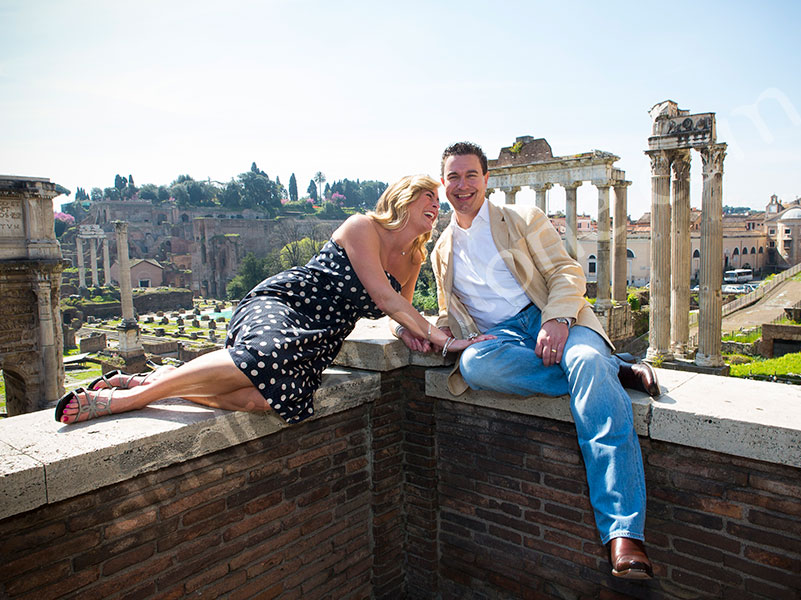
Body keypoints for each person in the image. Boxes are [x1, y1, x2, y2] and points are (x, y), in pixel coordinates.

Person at [55, 174, 493, 425]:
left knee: (267, 401)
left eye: (438, 202)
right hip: (285, 304)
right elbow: (382, 294)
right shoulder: (363, 227)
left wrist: (410, 332)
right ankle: (127, 400)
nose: (437, 204)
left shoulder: (412, 256)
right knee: (268, 356)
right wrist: (442, 339)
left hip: (318, 336)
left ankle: (159, 379)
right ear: (404, 199)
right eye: (428, 197)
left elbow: (397, 309)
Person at [425, 141, 656, 579]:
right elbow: (450, 314)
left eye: (471, 175)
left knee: (585, 362)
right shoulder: (442, 250)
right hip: (506, 338)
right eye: (453, 177)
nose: (462, 185)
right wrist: (423, 334)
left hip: (554, 315)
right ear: (443, 184)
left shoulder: (523, 219)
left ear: (486, 180)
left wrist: (557, 318)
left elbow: (566, 274)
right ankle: (610, 370)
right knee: (475, 367)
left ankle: (624, 532)